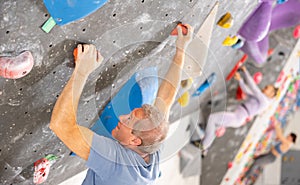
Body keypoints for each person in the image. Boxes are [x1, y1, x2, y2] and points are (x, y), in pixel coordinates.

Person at [49, 24, 194, 185]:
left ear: (134, 141)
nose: (122, 116)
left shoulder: (116, 163)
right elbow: (166, 98)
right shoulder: (152, 144)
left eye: (129, 119)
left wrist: (82, 71)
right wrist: (181, 49)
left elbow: (61, 125)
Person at [201, 66, 278, 156]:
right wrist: (240, 80)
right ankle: (205, 147)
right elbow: (247, 91)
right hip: (237, 116)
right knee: (215, 125)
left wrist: (245, 72)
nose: (265, 87)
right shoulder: (259, 99)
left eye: (267, 88)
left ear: (271, 93)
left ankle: (204, 146)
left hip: (237, 118)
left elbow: (254, 88)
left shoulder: (264, 102)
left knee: (212, 119)